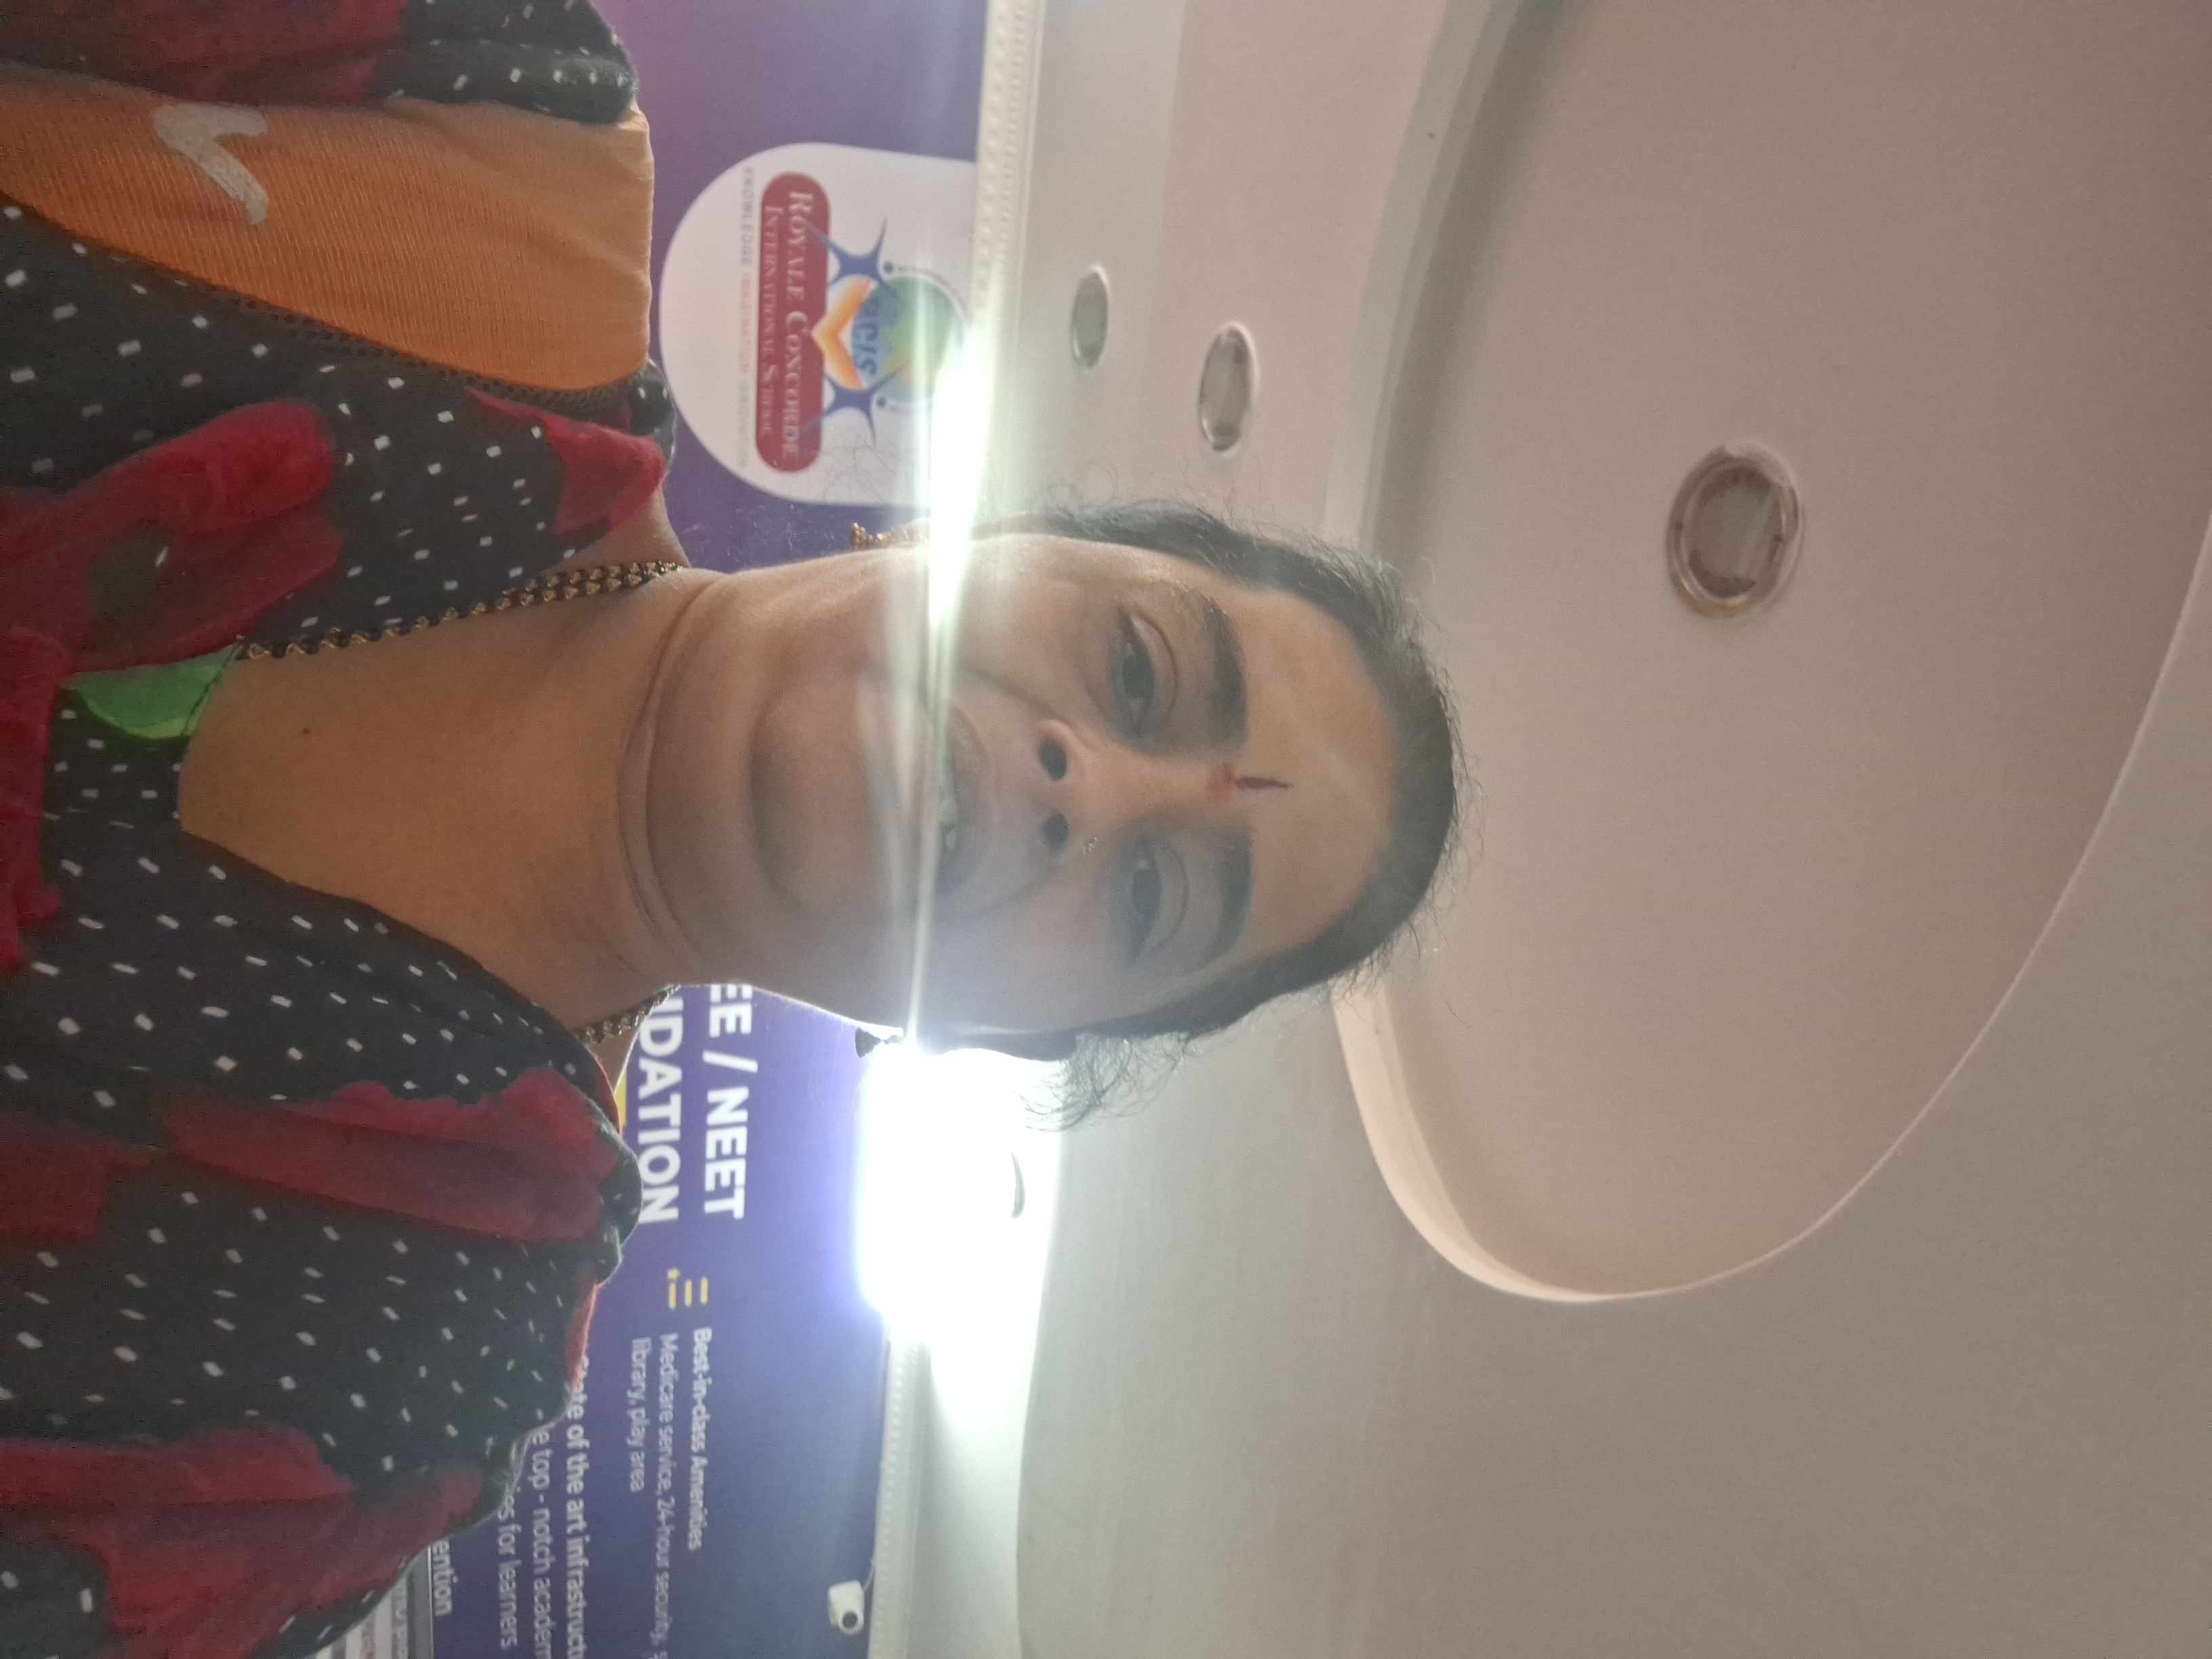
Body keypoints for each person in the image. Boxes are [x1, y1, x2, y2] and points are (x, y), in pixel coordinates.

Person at [0, 5, 1459, 1654]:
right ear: (988, 530)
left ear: (993, 1034)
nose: (1087, 789)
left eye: (1149, 904)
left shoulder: (412, 1365)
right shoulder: (498, 132)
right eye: (1137, 667)